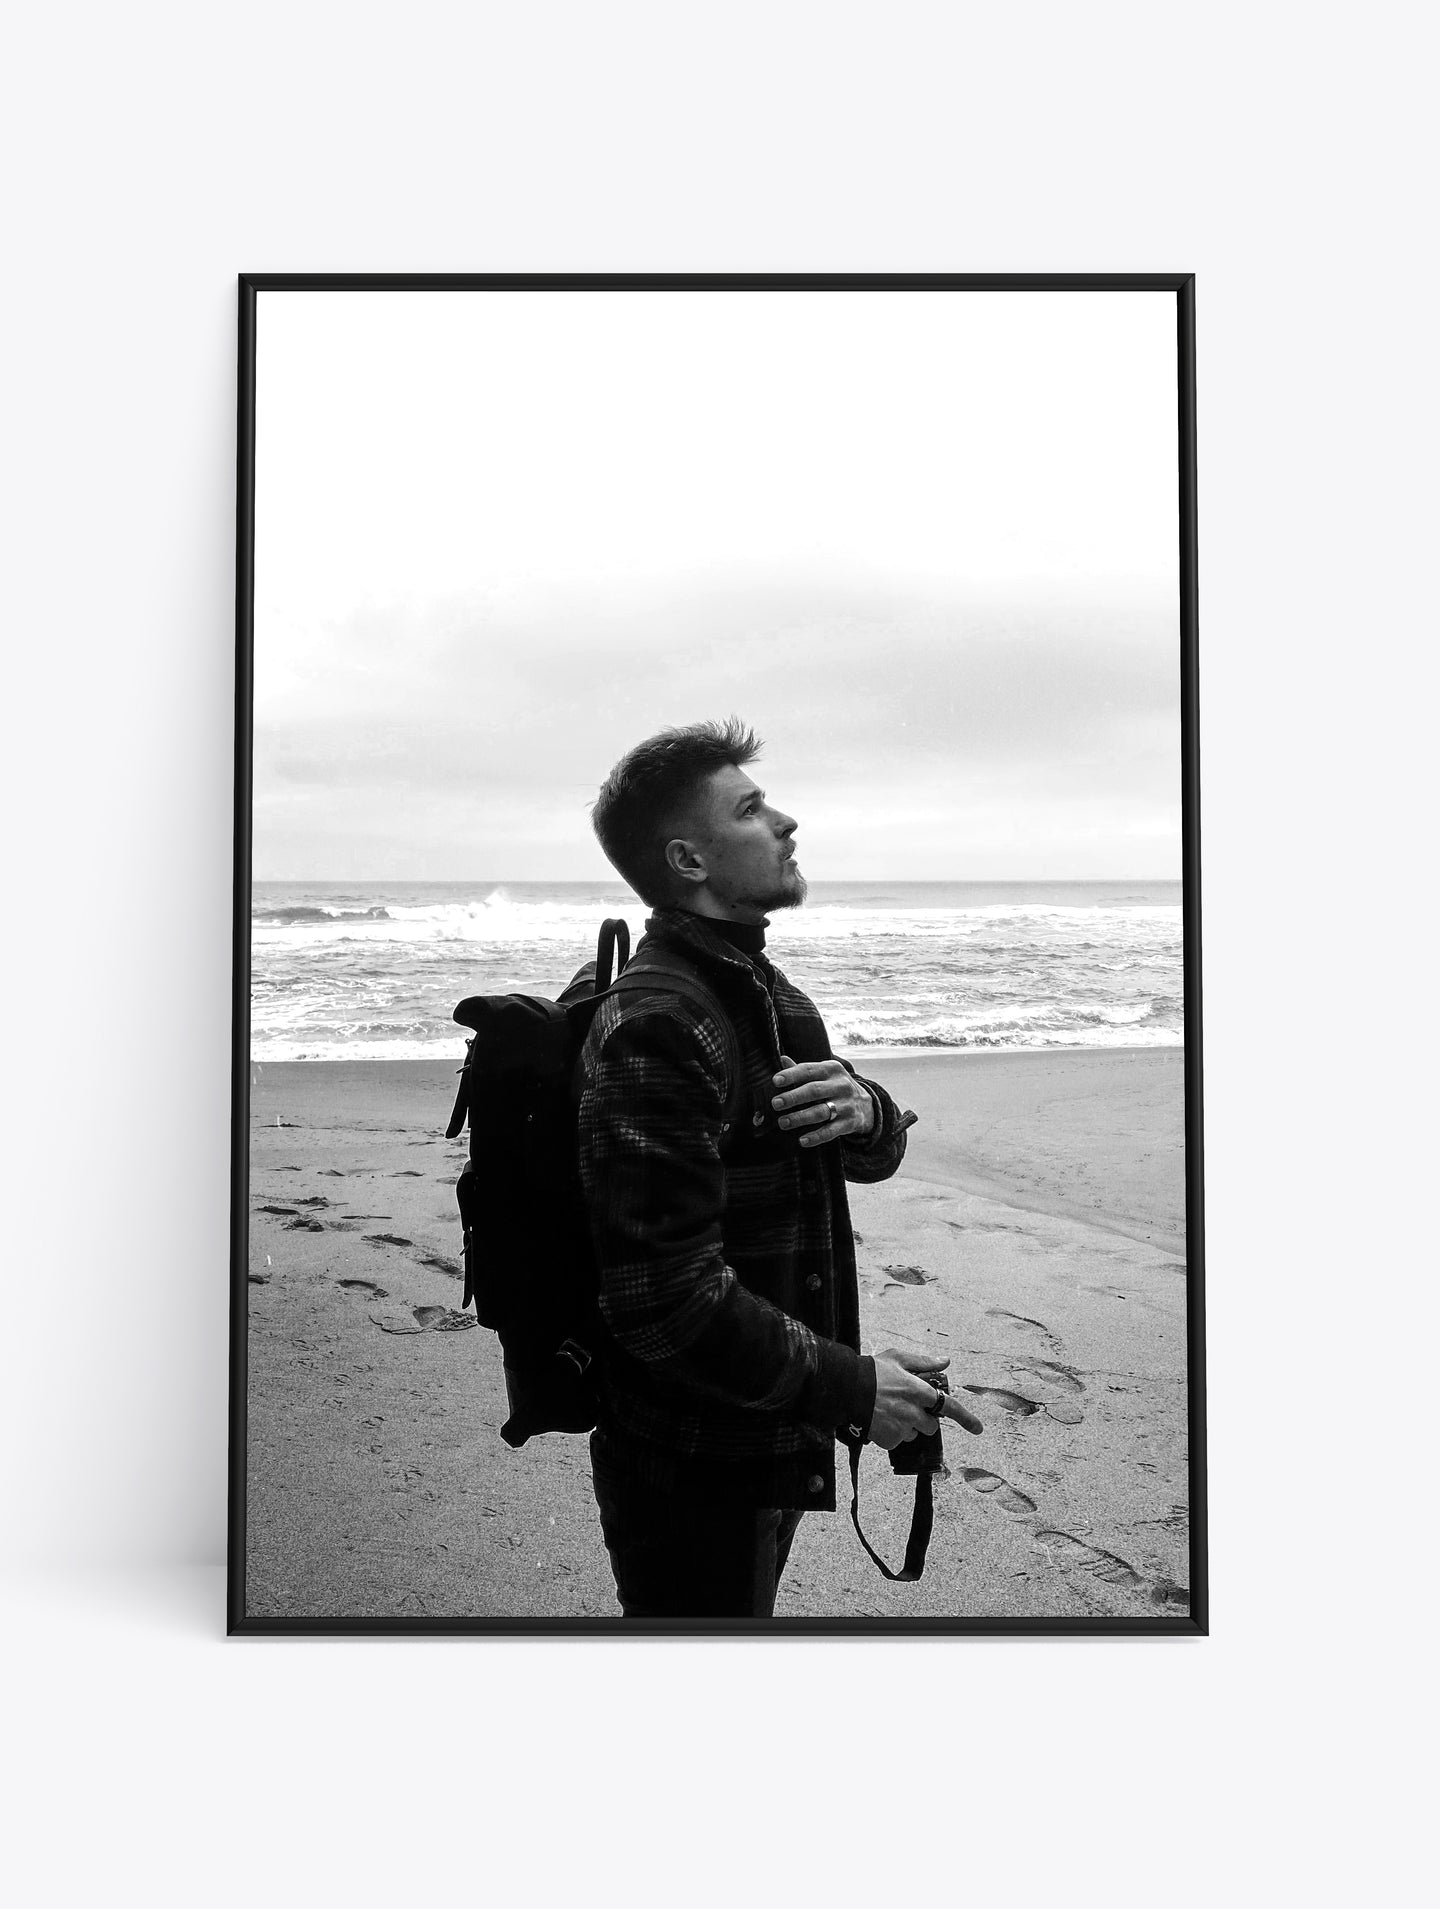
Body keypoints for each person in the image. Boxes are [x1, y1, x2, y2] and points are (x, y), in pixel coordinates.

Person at [577, 718, 979, 1619]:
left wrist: (869, 1108)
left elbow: (856, 1161)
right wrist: (852, 1381)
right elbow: (663, 1300)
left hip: (760, 1432)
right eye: (753, 809)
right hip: (690, 1466)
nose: (786, 822)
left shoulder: (764, 992)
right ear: (689, 858)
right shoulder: (660, 1023)